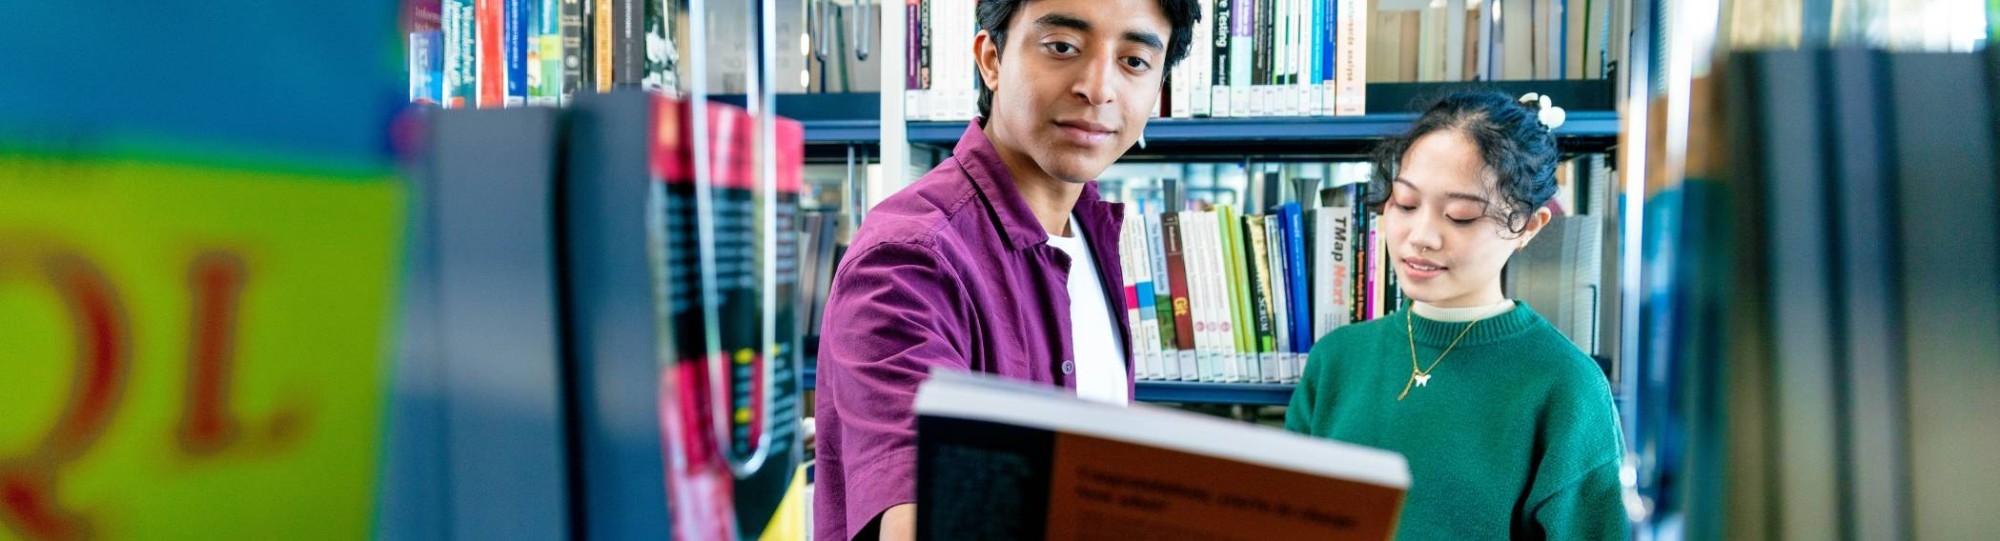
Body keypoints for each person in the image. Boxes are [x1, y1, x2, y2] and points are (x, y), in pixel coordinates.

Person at [813, 0, 1202, 539]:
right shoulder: (908, 259)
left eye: (1134, 61)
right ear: (990, 59)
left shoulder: (1092, 234)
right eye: (1062, 47)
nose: (1098, 88)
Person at [1284, 91, 1629, 539]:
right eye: (1405, 204)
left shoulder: (1566, 388)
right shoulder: (1336, 361)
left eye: (1461, 216)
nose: (1421, 236)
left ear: (1527, 226)